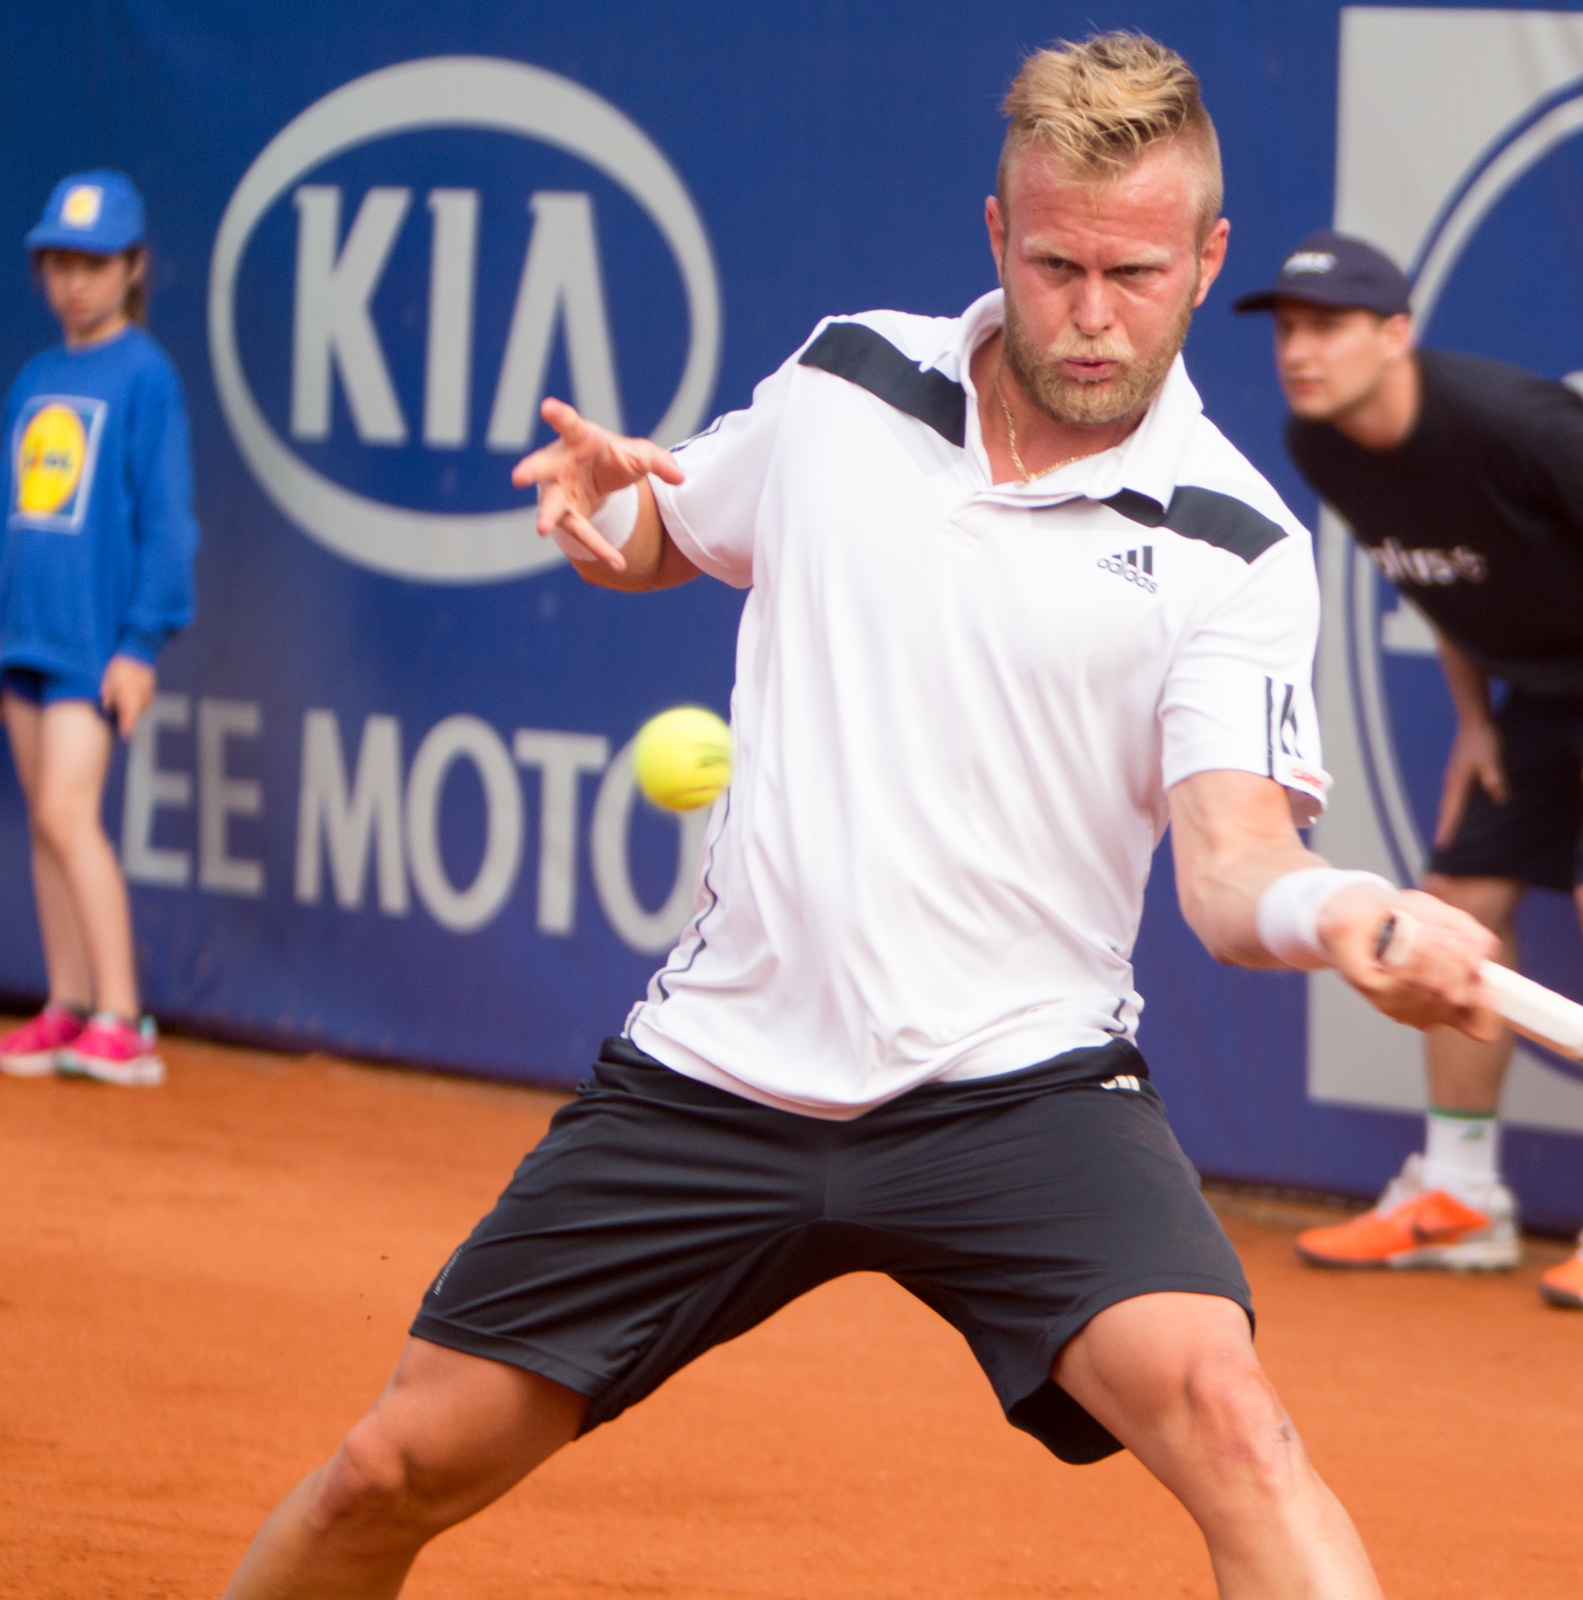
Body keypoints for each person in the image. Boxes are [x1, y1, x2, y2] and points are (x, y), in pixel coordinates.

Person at [219, 36, 1496, 1600]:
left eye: (1139, 274)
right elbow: (665, 527)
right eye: (1056, 265)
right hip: (717, 1079)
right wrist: (602, 507)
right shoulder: (844, 381)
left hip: (1016, 1092)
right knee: (387, 1471)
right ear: (995, 237)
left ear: (1208, 257)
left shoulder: (1237, 543)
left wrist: (1347, 916)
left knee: (1236, 1424)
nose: (1093, 317)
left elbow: (1236, 867)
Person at [1238, 232, 1583, 1314]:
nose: (1300, 352)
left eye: (1330, 327)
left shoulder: (1507, 421)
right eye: (1288, 330)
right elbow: (1443, 576)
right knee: (1456, 902)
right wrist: (1475, 724)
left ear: (1396, 336)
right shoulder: (1323, 442)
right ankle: (1460, 1194)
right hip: (1548, 667)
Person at [0, 171, 196, 1088]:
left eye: (94, 262)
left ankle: (124, 1017)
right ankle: (68, 1005)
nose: (74, 280)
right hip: (25, 639)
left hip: (92, 644)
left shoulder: (146, 375)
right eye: (59, 263)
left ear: (132, 267)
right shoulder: (38, 377)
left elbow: (167, 520)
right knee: (44, 825)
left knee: (66, 815)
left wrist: (140, 643)